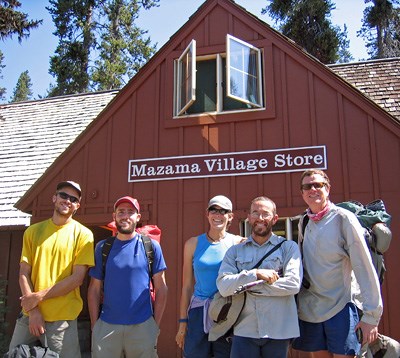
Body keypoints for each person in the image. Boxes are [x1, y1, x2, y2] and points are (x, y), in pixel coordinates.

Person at [292, 169, 383, 358]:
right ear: (302, 193)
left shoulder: (343, 219)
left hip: (341, 306)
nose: (313, 189)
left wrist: (371, 316)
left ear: (328, 188)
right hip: (312, 308)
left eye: (318, 185)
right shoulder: (304, 221)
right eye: (308, 186)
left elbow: (363, 267)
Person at [8, 181, 95, 358]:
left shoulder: (84, 235)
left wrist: (37, 297)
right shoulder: (33, 232)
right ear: (54, 197)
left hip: (61, 319)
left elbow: (77, 278)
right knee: (14, 355)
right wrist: (33, 310)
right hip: (28, 316)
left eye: (73, 199)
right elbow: (23, 273)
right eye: (63, 195)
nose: (67, 200)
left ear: (77, 206)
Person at [216, 196, 302, 358]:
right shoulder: (235, 252)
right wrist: (255, 274)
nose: (260, 218)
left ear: (275, 218)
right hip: (244, 329)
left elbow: (293, 284)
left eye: (265, 214)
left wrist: (248, 286)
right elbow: (223, 286)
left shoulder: (289, 248)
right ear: (248, 217)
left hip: (279, 330)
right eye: (255, 213)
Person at [88, 196, 168, 358]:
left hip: (142, 326)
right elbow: (94, 288)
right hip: (107, 326)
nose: (125, 216)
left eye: (130, 212)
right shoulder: (102, 247)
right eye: (121, 212)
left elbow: (162, 288)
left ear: (137, 217)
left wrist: (154, 325)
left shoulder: (151, 246)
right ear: (114, 216)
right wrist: (95, 325)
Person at [175, 195, 243, 357]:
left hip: (226, 311)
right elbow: (187, 287)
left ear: (230, 216)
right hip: (199, 312)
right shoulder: (192, 244)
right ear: (207, 214)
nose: (217, 215)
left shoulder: (238, 243)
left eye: (223, 211)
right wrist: (183, 323)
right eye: (213, 210)